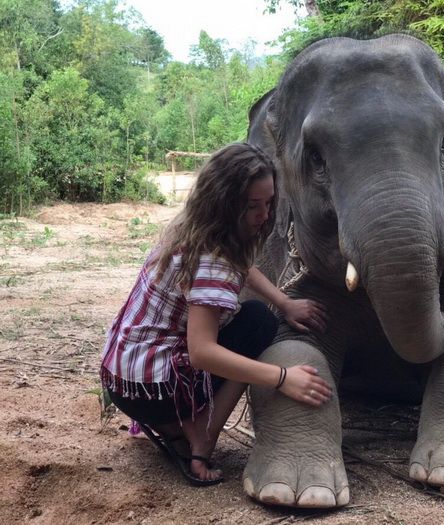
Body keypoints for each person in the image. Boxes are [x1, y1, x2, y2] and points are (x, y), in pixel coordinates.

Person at [100, 143, 331, 486]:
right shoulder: (213, 262)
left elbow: (242, 265)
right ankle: (200, 438)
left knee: (258, 314)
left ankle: (168, 424)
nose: (264, 215)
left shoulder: (191, 230)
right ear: (224, 203)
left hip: (121, 377)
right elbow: (201, 352)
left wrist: (283, 302)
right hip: (154, 389)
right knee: (257, 325)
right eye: (252, 206)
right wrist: (282, 377)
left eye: (269, 203)